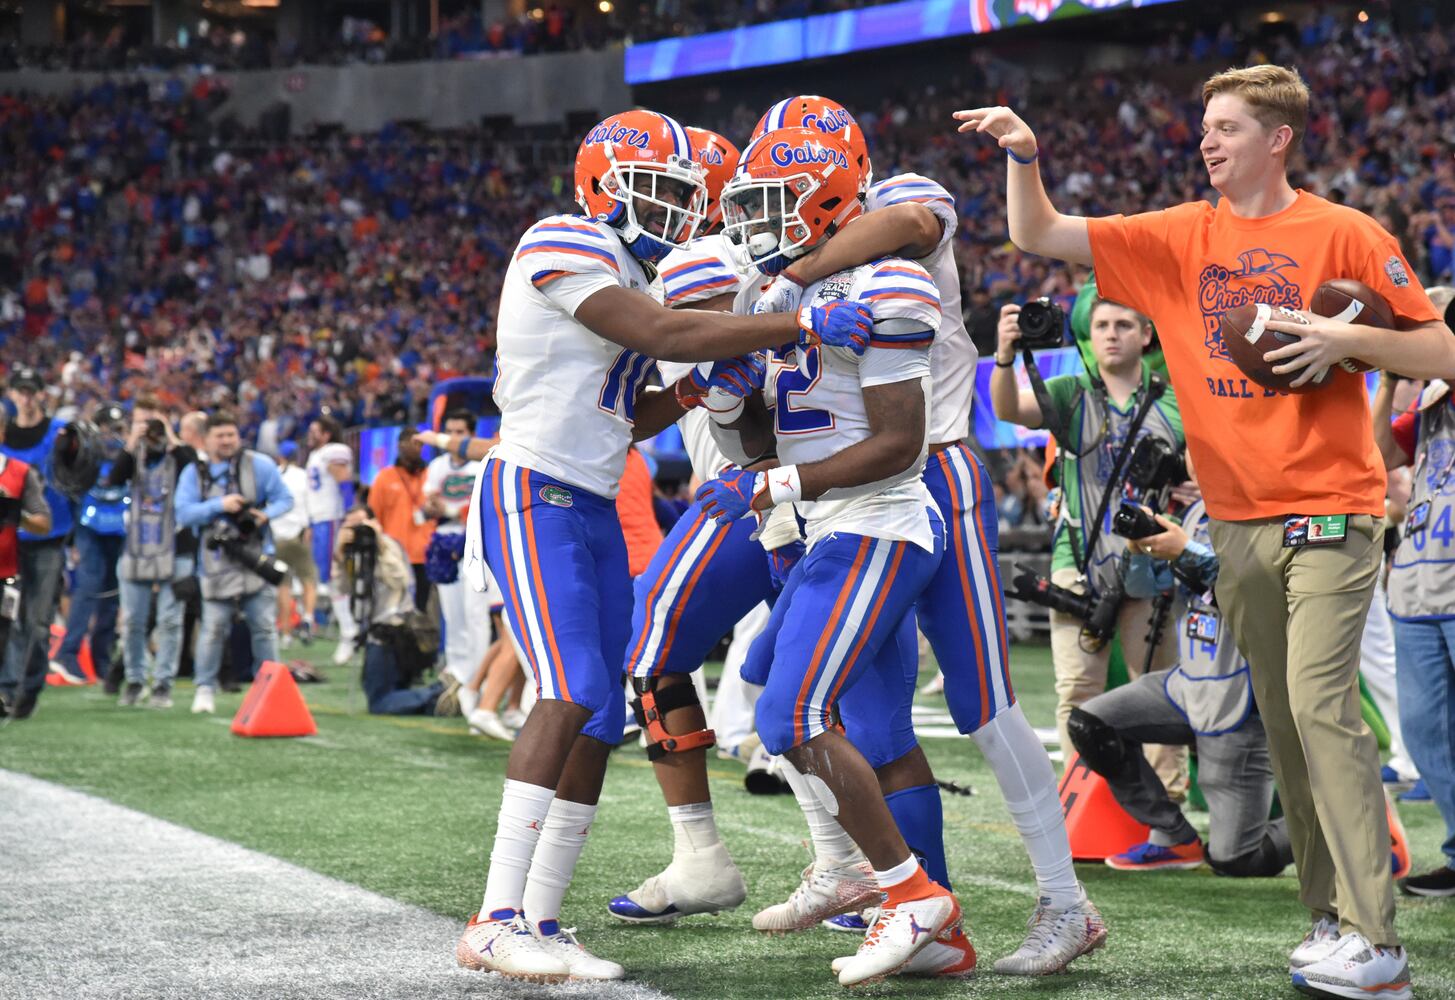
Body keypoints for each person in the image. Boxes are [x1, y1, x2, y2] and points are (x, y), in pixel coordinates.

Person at [956, 62, 1455, 997]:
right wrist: (1024, 156)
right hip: (1232, 523)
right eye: (1202, 125)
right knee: (1286, 725)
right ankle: (1327, 917)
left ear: (1278, 139)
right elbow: (1038, 231)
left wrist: (1347, 339)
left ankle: (1375, 939)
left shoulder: (1344, 231)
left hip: (1332, 511)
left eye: (1226, 127)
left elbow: (1439, 349)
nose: (1206, 140)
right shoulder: (1179, 235)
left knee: (1317, 708)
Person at [457, 108, 872, 982]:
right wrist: (792, 329)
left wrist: (689, 400)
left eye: (687, 195)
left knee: (600, 713)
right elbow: (663, 336)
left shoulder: (626, 264)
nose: (681, 209)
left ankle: (539, 917)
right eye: (662, 190)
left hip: (591, 501)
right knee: (567, 690)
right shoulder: (559, 240)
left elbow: (622, 412)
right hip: (532, 491)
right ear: (601, 184)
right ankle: (494, 918)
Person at [739, 95, 1102, 973]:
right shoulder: (782, 260)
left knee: (982, 698)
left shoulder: (894, 208)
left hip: (927, 471)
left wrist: (789, 280)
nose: (770, 209)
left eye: (792, 180)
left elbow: (904, 218)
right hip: (839, 497)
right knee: (855, 713)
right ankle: (894, 895)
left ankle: (1064, 902)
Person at [700, 124, 960, 988]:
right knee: (785, 683)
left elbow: (896, 444)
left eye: (769, 203)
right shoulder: (776, 296)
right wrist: (735, 400)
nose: (754, 223)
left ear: (827, 196)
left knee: (789, 716)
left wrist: (774, 489)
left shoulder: (890, 280)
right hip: (829, 531)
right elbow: (757, 437)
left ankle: (908, 892)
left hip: (878, 523)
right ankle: (925, 925)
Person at [990, 297, 1185, 784]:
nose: (1112, 333)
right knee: (1077, 688)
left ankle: (1169, 799)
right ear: (1089, 335)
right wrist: (1006, 355)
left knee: (1158, 688)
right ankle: (1081, 794)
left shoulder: (1174, 402)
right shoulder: (1069, 391)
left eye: (1124, 324)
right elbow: (1009, 408)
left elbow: (1203, 470)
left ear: (1146, 335)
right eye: (1101, 325)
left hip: (1151, 563)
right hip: (1076, 560)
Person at [1070, 489, 1293, 878]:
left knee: (1236, 859)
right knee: (1090, 724)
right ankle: (1175, 834)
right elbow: (1142, 589)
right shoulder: (1191, 514)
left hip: (1242, 693)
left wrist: (1185, 550)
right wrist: (1139, 549)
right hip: (1188, 681)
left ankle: (1357, 819)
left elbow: (1256, 593)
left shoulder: (1270, 511)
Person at [1373, 350, 1455, 899]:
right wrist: (1389, 381)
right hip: (1417, 589)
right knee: (1427, 735)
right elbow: (1376, 455)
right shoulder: (1429, 402)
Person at [175, 412, 295, 715]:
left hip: (255, 558)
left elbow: (285, 498)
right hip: (215, 562)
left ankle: (271, 691)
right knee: (213, 629)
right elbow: (184, 513)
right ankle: (204, 688)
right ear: (206, 439)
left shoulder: (259, 465)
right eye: (220, 435)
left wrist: (265, 515)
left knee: (265, 628)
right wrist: (220, 505)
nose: (227, 441)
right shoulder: (195, 472)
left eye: (232, 434)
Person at [110, 397, 198, 708]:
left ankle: (163, 684)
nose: (151, 430)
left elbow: (195, 469)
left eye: (154, 422)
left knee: (171, 621)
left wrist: (171, 437)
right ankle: (135, 679)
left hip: (177, 547)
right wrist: (133, 441)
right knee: (133, 620)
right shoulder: (134, 456)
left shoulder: (181, 456)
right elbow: (113, 479)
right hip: (136, 546)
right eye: (143, 422)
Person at [0, 367, 73, 720]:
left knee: (39, 621)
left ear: (41, 393)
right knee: (11, 616)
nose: (26, 397)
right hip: (9, 538)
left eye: (32, 391)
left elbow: (81, 471)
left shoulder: (60, 433)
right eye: (20, 391)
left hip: (50, 534)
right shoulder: (4, 435)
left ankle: (28, 686)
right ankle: (10, 687)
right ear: (12, 394)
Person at [332, 507, 444, 716]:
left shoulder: (390, 545)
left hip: (395, 631)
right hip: (376, 632)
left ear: (375, 523)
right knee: (386, 693)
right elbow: (344, 589)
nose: (357, 530)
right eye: (350, 525)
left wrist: (380, 547)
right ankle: (434, 701)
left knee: (379, 702)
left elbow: (400, 580)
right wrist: (340, 556)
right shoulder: (351, 552)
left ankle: (438, 693)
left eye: (361, 524)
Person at [423, 409, 488, 689]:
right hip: (445, 539)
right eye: (449, 431)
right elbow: (428, 504)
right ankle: (457, 673)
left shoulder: (481, 464)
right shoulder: (437, 465)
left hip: (475, 541)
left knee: (476, 613)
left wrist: (449, 508)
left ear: (471, 434)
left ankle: (478, 675)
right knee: (452, 613)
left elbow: (479, 508)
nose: (453, 437)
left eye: (460, 432)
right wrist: (443, 508)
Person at [0, 404, 52, 719]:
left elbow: (42, 522)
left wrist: (12, 510)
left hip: (5, 571)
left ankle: (7, 692)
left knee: (8, 634)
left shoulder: (19, 472)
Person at [305, 415, 359, 664]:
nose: (310, 434)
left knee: (336, 578)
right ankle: (349, 630)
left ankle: (350, 632)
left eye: (314, 430)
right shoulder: (316, 454)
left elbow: (344, 481)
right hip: (319, 520)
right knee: (328, 579)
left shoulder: (332, 452)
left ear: (326, 434)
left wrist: (349, 514)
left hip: (332, 520)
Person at [368, 427, 435, 610]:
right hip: (395, 555)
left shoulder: (431, 475)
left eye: (420, 444)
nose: (417, 448)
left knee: (422, 608)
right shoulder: (384, 477)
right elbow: (374, 517)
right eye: (413, 443)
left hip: (424, 553)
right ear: (400, 445)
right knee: (394, 608)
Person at [270, 441, 315, 645]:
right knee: (308, 579)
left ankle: (286, 633)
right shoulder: (303, 476)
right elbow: (309, 504)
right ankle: (307, 618)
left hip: (276, 536)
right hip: (298, 534)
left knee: (283, 585)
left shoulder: (273, 475)